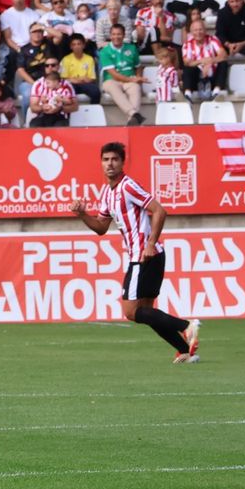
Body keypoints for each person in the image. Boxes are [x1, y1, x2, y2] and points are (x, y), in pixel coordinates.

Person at [71, 141, 201, 362]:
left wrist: (150, 243)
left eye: (114, 159)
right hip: (146, 256)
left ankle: (187, 325)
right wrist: (83, 214)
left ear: (122, 163)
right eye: (106, 160)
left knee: (131, 311)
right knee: (147, 313)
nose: (110, 164)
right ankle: (184, 351)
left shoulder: (128, 186)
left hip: (144, 255)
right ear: (101, 163)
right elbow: (101, 227)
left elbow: (159, 210)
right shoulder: (107, 192)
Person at [98, 23, 144, 125]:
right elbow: (114, 74)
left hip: (129, 79)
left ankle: (132, 121)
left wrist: (138, 78)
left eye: (119, 34)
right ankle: (134, 114)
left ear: (124, 35)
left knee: (136, 88)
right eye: (113, 34)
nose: (116, 37)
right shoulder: (105, 51)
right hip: (112, 80)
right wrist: (133, 80)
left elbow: (138, 66)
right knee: (111, 87)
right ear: (110, 36)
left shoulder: (132, 48)